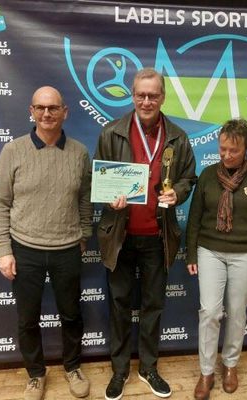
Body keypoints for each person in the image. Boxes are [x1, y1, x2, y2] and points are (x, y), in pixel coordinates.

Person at [94, 68, 197, 400]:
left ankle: (149, 367)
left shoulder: (178, 137)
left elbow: (188, 177)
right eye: (141, 95)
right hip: (120, 235)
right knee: (119, 304)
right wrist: (109, 197)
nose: (147, 101)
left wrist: (179, 193)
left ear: (163, 97)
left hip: (158, 236)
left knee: (153, 305)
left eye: (153, 95)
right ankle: (120, 369)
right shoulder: (112, 132)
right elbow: (99, 177)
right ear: (133, 95)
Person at [0, 86, 93, 400]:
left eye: (53, 108)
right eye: (40, 108)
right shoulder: (13, 151)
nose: (47, 113)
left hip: (67, 249)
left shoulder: (79, 153)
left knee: (71, 314)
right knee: (27, 319)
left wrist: (84, 235)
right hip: (25, 249)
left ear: (65, 112)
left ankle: (72, 367)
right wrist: (3, 251)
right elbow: (0, 204)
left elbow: (85, 199)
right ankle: (35, 374)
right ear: (32, 112)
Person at [185, 119, 247, 400]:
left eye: (233, 150)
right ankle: (206, 371)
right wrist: (191, 253)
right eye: (222, 149)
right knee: (210, 312)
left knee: (237, 312)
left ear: (246, 148)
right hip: (210, 251)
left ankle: (230, 364)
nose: (226, 155)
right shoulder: (207, 175)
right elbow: (194, 219)